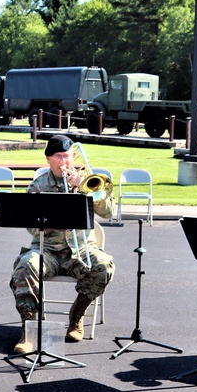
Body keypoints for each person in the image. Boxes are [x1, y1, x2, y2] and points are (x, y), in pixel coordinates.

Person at [10, 134, 116, 354]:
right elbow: (30, 227)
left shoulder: (88, 180)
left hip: (81, 251)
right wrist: (49, 220)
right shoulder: (38, 185)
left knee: (104, 266)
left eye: (67, 156)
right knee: (24, 265)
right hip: (47, 251)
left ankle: (77, 315)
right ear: (49, 159)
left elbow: (108, 213)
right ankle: (28, 330)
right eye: (58, 156)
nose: (64, 162)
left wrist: (86, 190)